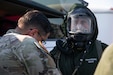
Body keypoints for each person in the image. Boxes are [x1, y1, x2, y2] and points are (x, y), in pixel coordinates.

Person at [50, 3, 108, 75]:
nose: (79, 27)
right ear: (68, 25)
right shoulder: (58, 52)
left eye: (83, 22)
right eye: (75, 22)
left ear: (92, 25)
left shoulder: (103, 50)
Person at [0, 10, 61, 75]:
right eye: (42, 40)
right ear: (33, 32)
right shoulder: (27, 42)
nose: (41, 44)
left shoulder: (2, 40)